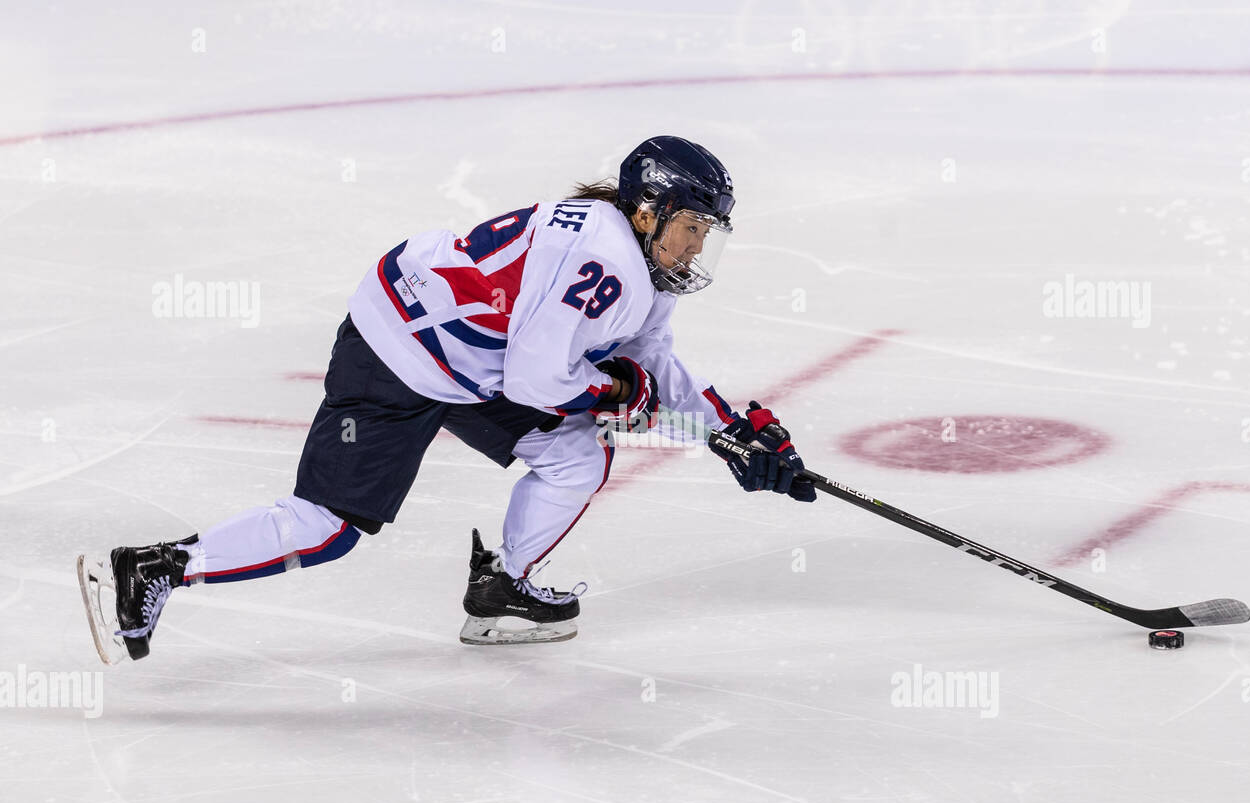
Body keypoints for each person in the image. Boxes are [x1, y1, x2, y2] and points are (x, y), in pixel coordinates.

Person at [76, 135, 816, 663]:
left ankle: (503, 589)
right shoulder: (605, 258)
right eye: (692, 228)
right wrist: (617, 392)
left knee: (575, 451)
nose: (695, 248)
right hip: (400, 353)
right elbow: (539, 382)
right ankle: (158, 566)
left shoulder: (631, 264)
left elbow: (649, 369)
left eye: (706, 234)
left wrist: (732, 429)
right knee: (330, 527)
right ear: (649, 211)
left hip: (464, 357)